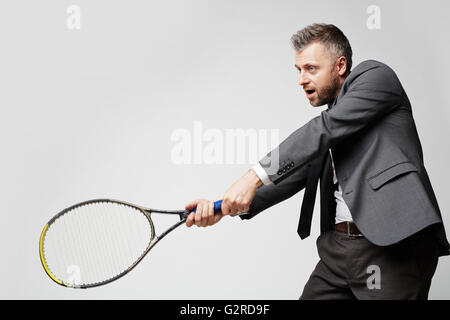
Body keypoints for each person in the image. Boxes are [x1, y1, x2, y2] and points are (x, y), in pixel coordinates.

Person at [184, 23, 450, 299]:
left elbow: (322, 130)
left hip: (393, 248)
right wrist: (223, 207)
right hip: (338, 251)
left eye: (311, 68)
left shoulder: (376, 78)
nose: (301, 79)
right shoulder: (329, 125)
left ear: (341, 65)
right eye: (299, 70)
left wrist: (252, 176)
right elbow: (290, 176)